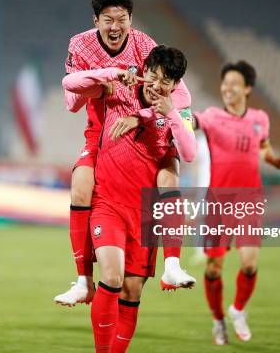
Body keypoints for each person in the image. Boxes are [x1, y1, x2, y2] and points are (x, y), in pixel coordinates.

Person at [55, 0, 195, 307]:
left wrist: (145, 115)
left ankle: (171, 265)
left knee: (168, 178)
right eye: (108, 19)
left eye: (122, 19)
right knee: (80, 185)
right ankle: (82, 280)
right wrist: (109, 77)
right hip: (102, 131)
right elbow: (71, 102)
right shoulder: (80, 45)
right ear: (96, 22)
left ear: (131, 19)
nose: (115, 26)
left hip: (147, 134)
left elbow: (183, 98)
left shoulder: (147, 47)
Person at [63, 45, 197, 352]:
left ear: (176, 85)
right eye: (153, 75)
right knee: (111, 277)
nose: (156, 84)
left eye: (165, 80)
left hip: (143, 214)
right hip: (108, 204)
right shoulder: (119, 88)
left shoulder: (177, 109)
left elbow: (189, 153)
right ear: (144, 69)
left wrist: (167, 115)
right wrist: (110, 73)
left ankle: (172, 266)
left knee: (132, 292)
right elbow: (69, 84)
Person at [193, 61, 280, 344]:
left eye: (234, 83)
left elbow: (264, 147)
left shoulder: (260, 118)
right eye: (225, 83)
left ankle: (237, 310)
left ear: (247, 88)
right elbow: (193, 121)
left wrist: (274, 160)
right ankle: (217, 320)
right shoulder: (212, 116)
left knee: (249, 264)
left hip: (249, 200)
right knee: (214, 268)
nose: (228, 88)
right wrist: (175, 117)